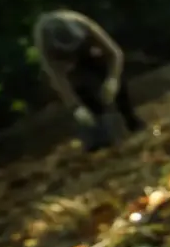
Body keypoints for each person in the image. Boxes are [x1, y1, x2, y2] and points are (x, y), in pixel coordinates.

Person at [33, 10, 145, 151]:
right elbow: (57, 78)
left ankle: (131, 119)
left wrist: (113, 79)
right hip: (69, 64)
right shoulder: (44, 41)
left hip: (91, 53)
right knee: (82, 86)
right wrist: (75, 106)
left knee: (106, 70)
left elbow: (115, 54)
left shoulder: (83, 24)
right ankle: (98, 134)